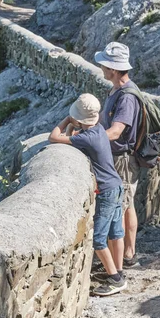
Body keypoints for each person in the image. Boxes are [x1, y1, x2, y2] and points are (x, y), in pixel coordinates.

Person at [48, 93, 127, 296]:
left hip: (106, 191)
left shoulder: (86, 138)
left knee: (99, 239)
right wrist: (77, 122)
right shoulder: (99, 130)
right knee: (116, 232)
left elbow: (55, 137)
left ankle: (115, 280)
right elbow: (71, 135)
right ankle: (118, 271)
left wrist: (67, 119)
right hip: (117, 185)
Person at [94, 42, 141, 268]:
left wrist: (90, 140)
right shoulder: (116, 90)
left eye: (104, 65)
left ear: (113, 69)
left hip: (122, 159)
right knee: (127, 204)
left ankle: (123, 258)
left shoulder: (126, 97)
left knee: (121, 207)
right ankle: (127, 255)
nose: (101, 68)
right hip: (119, 157)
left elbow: (116, 131)